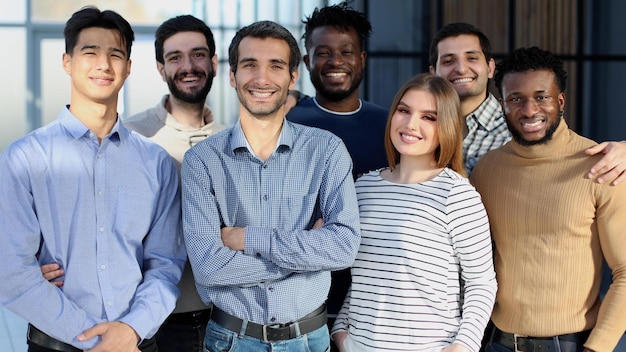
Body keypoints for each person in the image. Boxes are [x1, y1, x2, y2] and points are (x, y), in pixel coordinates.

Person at [0, 6, 186, 352]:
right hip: (56, 344)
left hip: (136, 343)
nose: (104, 64)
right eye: (90, 52)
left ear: (128, 68)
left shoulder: (155, 163)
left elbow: (165, 264)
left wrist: (130, 330)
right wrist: (98, 340)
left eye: (116, 54)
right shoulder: (25, 158)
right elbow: (12, 273)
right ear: (67, 62)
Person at [181, 20, 361, 352]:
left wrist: (247, 238)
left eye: (275, 66)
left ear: (293, 77)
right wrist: (308, 254)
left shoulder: (327, 151)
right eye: (250, 65)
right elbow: (208, 268)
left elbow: (344, 247)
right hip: (230, 341)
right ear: (233, 75)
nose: (262, 79)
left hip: (308, 340)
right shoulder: (201, 161)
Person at [471, 46, 626, 352]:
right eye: (516, 99)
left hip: (571, 344)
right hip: (496, 342)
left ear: (560, 100)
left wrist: (598, 348)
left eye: (541, 97)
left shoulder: (601, 166)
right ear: (502, 104)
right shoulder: (487, 170)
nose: (529, 111)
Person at [331, 73, 497, 352]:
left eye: (428, 117)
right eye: (404, 111)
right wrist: (341, 331)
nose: (411, 124)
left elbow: (482, 283)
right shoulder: (363, 188)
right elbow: (366, 275)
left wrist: (462, 346)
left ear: (447, 126)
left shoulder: (457, 195)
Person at [284, 5, 388, 346]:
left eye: (345, 52)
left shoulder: (391, 126)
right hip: (299, 303)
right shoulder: (287, 123)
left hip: (374, 305)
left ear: (362, 58)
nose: (335, 61)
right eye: (323, 53)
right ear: (306, 61)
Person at [123, 15, 226, 352]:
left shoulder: (234, 139)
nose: (188, 66)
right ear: (160, 68)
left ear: (213, 62)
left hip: (224, 316)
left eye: (198, 55)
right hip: (150, 318)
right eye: (175, 57)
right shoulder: (130, 136)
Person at [429, 22, 626, 182]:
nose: (461, 69)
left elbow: (567, 153)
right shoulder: (421, 127)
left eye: (472, 58)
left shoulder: (521, 125)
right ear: (433, 73)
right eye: (448, 61)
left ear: (490, 68)